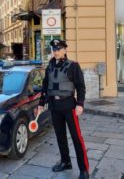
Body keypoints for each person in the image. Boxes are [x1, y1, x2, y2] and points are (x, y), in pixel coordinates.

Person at [37, 39, 89, 179]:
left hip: (69, 106)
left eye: (58, 49)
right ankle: (65, 162)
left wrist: (80, 104)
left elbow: (81, 86)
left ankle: (84, 169)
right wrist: (41, 103)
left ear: (65, 50)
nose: (56, 52)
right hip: (54, 106)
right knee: (60, 137)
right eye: (54, 49)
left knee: (76, 138)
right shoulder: (50, 66)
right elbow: (45, 85)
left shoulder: (73, 65)